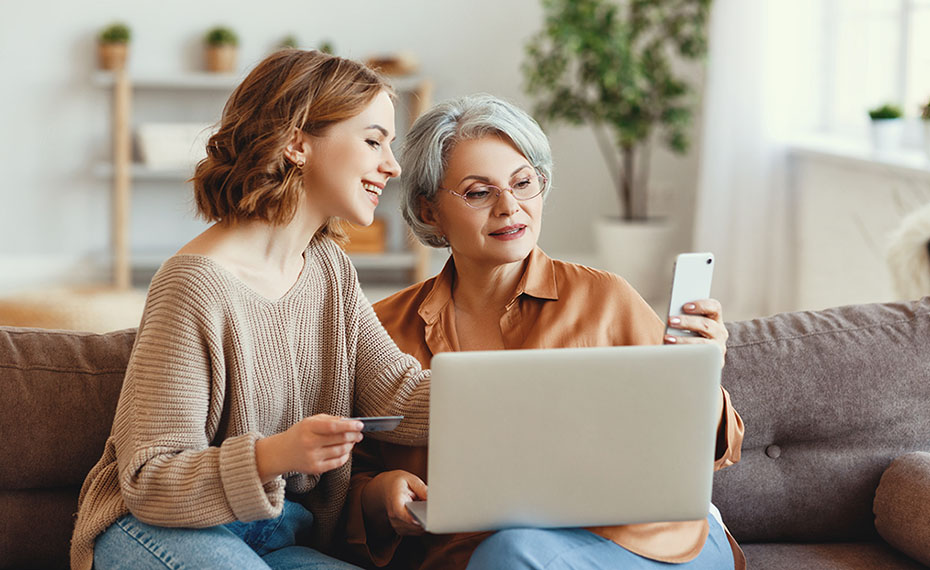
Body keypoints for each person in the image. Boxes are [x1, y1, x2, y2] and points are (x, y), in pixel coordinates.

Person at [341, 94, 745, 569]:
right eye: (478, 192)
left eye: (523, 183)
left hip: (643, 544)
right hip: (472, 555)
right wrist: (377, 496)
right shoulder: (380, 328)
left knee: (513, 552)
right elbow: (344, 477)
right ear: (430, 212)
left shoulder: (605, 299)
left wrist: (699, 372)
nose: (509, 207)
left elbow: (715, 449)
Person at [70, 50, 433, 570]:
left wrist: (520, 387)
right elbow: (148, 481)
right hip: (155, 527)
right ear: (297, 142)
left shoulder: (331, 270)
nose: (392, 165)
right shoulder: (193, 285)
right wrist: (276, 456)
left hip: (282, 536)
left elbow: (399, 393)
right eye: (373, 140)